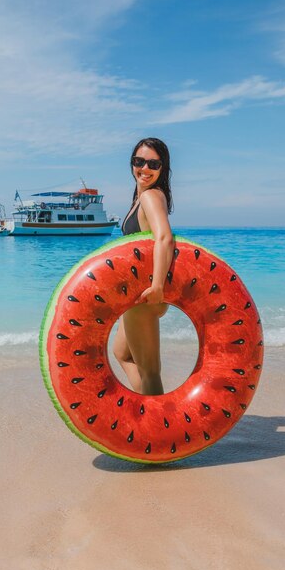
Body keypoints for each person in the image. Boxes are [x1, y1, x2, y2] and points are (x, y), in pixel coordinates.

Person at [113, 137, 174, 395]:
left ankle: (159, 430)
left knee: (150, 370)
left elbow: (164, 237)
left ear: (163, 168)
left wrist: (157, 286)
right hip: (138, 295)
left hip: (146, 294)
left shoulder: (151, 196)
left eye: (153, 164)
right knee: (122, 353)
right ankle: (149, 411)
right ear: (132, 164)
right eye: (139, 162)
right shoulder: (140, 199)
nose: (144, 169)